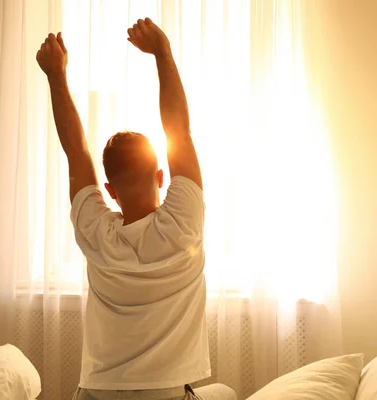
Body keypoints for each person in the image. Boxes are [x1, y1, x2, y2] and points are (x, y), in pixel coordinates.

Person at [36, 18, 237, 400]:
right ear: (161, 177)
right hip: (165, 394)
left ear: (109, 190)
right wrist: (162, 52)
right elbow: (179, 132)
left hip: (95, 393)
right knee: (224, 392)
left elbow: (76, 152)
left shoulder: (95, 233)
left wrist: (56, 76)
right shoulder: (183, 224)